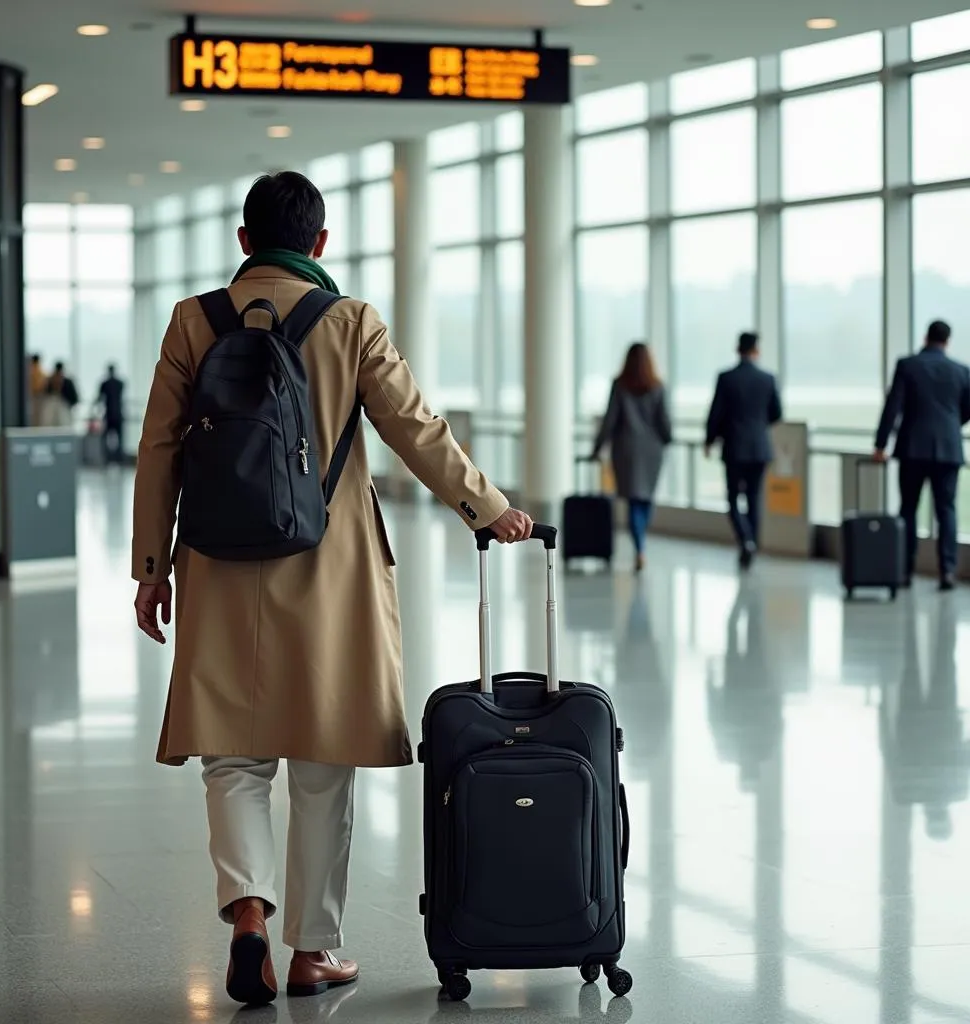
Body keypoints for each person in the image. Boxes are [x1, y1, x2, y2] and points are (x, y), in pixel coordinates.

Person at [131, 171, 534, 1006]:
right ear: (319, 245)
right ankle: (314, 948)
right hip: (328, 565)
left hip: (216, 560)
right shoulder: (349, 322)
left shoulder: (192, 322)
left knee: (234, 757)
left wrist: (151, 570)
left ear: (245, 243)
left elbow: (159, 452)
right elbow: (415, 428)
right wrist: (486, 509)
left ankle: (248, 914)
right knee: (321, 759)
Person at [873, 320, 970, 591]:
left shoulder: (908, 365)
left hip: (912, 448)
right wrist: (950, 426)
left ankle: (905, 569)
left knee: (908, 509)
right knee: (946, 510)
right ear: (947, 341)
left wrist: (881, 444)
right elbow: (967, 409)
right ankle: (947, 571)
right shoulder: (961, 370)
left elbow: (893, 406)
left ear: (925, 337)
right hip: (949, 450)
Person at [591, 342, 672, 572]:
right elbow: (664, 422)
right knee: (645, 498)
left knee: (633, 500)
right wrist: (667, 439)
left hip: (625, 450)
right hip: (652, 451)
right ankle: (641, 543)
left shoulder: (620, 385)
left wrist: (598, 448)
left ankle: (640, 547)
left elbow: (610, 420)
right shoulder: (657, 387)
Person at [704, 332, 783, 569]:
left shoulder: (726, 378)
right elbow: (777, 413)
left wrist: (709, 439)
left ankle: (745, 540)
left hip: (735, 447)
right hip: (759, 447)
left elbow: (716, 413)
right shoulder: (767, 378)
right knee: (754, 498)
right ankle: (752, 543)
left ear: (737, 349)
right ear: (756, 351)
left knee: (732, 499)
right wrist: (758, 426)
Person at [97, 364, 126, 464]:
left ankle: (107, 458)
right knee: (120, 438)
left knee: (105, 438)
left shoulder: (104, 383)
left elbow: (99, 398)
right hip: (118, 413)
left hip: (109, 414)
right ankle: (119, 458)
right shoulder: (120, 383)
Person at [44, 362, 79, 427]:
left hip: (64, 406)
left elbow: (74, 398)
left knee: (64, 424)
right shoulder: (50, 381)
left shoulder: (67, 382)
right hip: (53, 406)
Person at [27, 353, 46, 427]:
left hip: (34, 395)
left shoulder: (30, 370)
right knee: (37, 416)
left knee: (35, 416)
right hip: (37, 395)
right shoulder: (38, 370)